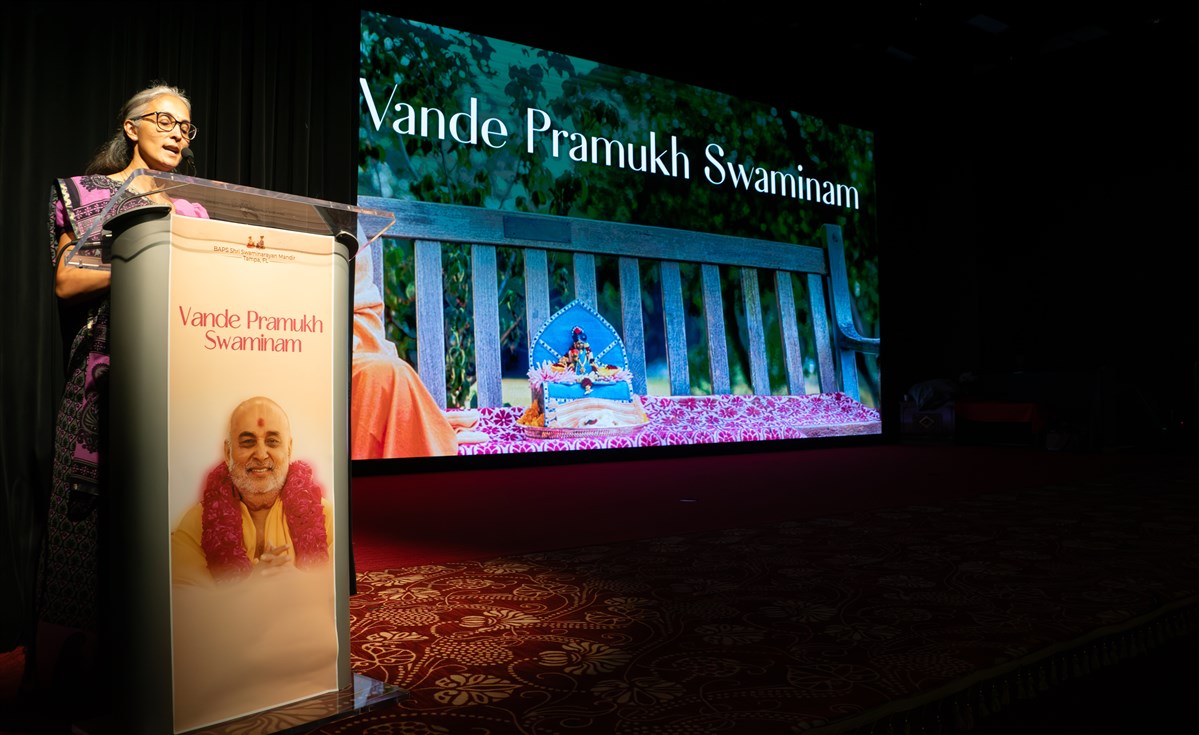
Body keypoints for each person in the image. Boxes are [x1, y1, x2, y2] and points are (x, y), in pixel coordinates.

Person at [35, 82, 208, 704]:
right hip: (101, 380)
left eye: (185, 126)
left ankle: (162, 671)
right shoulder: (86, 193)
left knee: (165, 524)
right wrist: (146, 259)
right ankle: (66, 685)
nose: (176, 133)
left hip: (179, 377)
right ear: (131, 127)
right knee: (83, 530)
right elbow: (67, 279)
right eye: (164, 120)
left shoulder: (194, 210)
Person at [171, 396, 333, 586]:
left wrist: (300, 584)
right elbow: (183, 593)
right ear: (228, 452)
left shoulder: (324, 516)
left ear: (289, 449)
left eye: (272, 441)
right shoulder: (198, 523)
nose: (261, 455)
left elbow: (335, 587)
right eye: (248, 442)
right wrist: (249, 590)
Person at [350, 244, 489, 458]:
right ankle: (425, 432)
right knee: (389, 376)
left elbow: (361, 297)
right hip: (310, 341)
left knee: (389, 375)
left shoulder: (352, 226)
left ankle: (422, 431)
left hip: (361, 345)